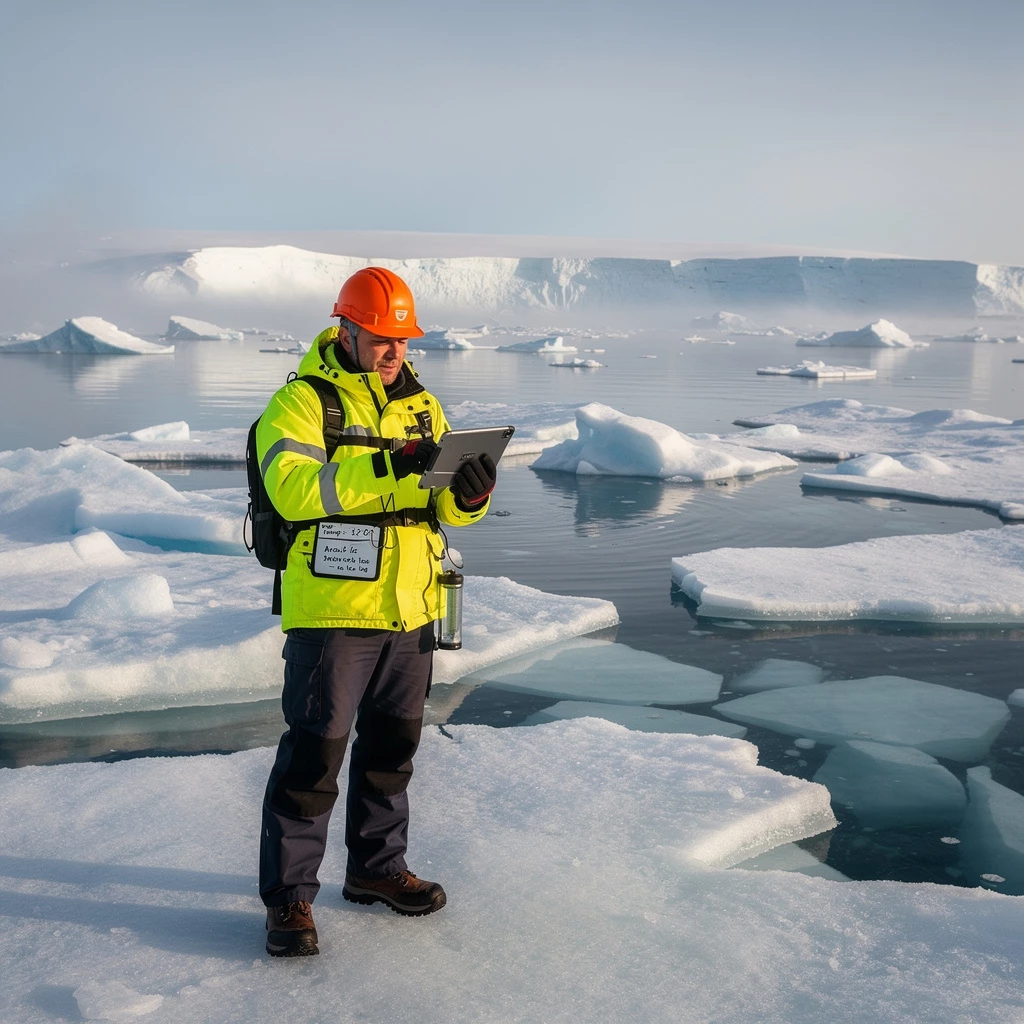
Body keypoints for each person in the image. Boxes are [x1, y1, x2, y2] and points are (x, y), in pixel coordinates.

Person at [255, 267, 496, 957]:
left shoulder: (425, 406)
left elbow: (445, 507)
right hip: (334, 614)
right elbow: (297, 492)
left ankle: (376, 871)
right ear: (346, 329)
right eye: (381, 338)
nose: (394, 351)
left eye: (402, 338)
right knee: (313, 760)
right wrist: (396, 467)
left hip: (410, 614)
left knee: (392, 756)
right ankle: (291, 901)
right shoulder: (302, 403)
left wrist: (469, 495)